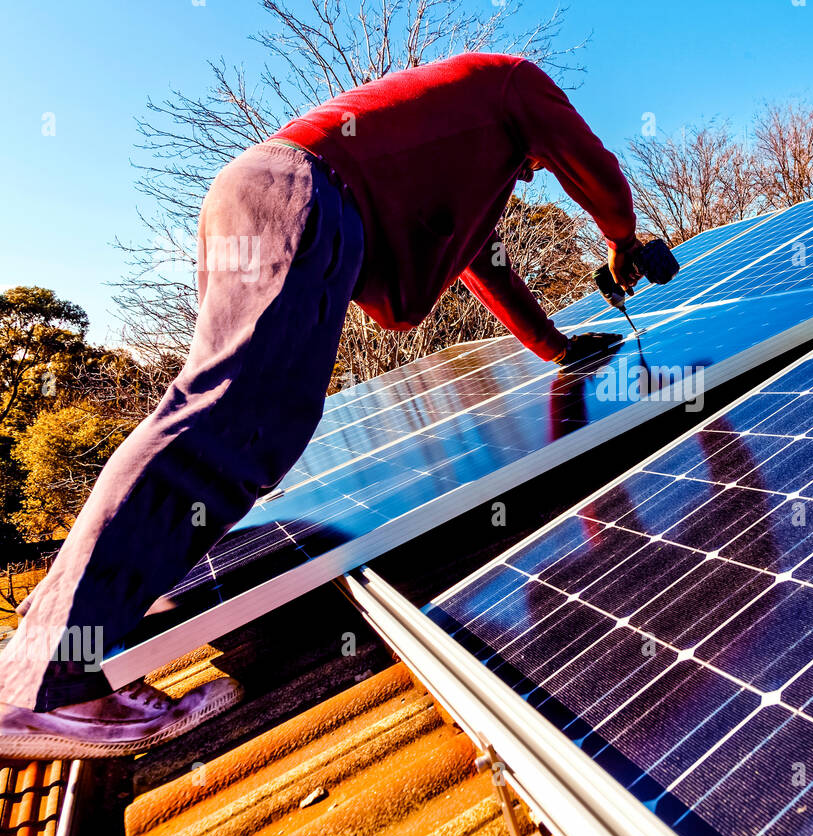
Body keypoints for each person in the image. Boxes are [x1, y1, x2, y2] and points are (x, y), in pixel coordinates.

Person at [0, 53, 641, 758]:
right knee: (227, 421)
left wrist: (555, 346)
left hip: (271, 189)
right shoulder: (514, 80)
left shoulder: (456, 150)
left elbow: (479, 261)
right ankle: (45, 679)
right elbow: (593, 161)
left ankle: (57, 623)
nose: (528, 176)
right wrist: (624, 238)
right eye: (532, 168)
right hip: (302, 192)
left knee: (243, 422)